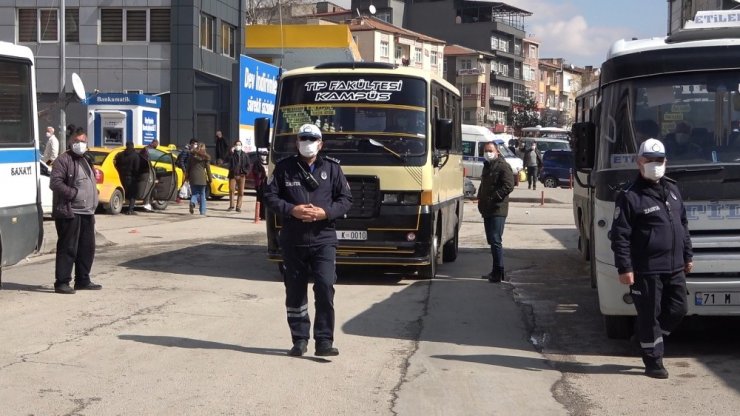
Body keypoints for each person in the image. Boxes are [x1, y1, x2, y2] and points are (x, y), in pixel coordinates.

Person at [263, 123, 352, 357]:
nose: (307, 143)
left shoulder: (333, 169)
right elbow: (269, 196)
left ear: (321, 144)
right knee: (295, 291)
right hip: (293, 239)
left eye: (312, 139)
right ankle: (299, 339)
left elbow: (345, 199)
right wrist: (291, 210)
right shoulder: (284, 168)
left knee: (324, 286)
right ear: (296, 142)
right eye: (303, 138)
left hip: (324, 239)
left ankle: (324, 340)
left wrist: (326, 212)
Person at [610, 138, 693, 379]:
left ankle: (647, 338)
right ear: (639, 162)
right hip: (646, 269)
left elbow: (683, 226)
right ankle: (653, 360)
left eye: (659, 161)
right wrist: (624, 267)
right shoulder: (629, 196)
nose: (655, 165)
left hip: (675, 266)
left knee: (678, 309)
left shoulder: (673, 190)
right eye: (649, 160)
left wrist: (688, 255)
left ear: (666, 162)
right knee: (649, 316)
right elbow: (620, 236)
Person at [49, 130, 102, 294]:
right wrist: (74, 194)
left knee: (86, 247)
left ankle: (83, 280)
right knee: (68, 248)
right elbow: (55, 183)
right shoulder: (63, 160)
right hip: (70, 212)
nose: (81, 144)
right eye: (77, 140)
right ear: (71, 142)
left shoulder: (86, 159)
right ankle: (62, 282)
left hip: (87, 212)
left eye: (83, 141)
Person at [477, 142, 515, 282]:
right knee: (491, 241)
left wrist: (495, 197)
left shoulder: (502, 166)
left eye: (490, 150)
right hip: (487, 209)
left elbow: (509, 185)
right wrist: (480, 197)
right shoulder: (488, 166)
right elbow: (483, 184)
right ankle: (495, 271)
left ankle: (499, 272)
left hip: (498, 208)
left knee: (496, 240)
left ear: (497, 151)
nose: (488, 153)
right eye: (486, 151)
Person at [114, 141, 141, 215]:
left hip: (121, 176)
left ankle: (122, 208)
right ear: (133, 146)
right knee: (132, 194)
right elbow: (136, 168)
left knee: (124, 193)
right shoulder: (135, 156)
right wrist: (137, 177)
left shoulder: (121, 155)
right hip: (131, 177)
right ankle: (130, 210)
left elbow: (117, 164)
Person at [186, 143, 212, 215]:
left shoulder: (191, 156)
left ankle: (192, 202)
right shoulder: (205, 158)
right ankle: (202, 211)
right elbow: (208, 169)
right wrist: (210, 179)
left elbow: (188, 167)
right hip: (202, 178)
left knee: (194, 193)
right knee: (202, 194)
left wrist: (186, 177)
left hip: (193, 177)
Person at [227, 140, 250, 212]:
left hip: (241, 175)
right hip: (232, 175)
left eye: (239, 144)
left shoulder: (245, 155)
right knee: (231, 190)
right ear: (234, 146)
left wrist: (245, 172)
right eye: (236, 144)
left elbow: (248, 165)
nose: (238, 146)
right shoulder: (231, 154)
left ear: (241, 146)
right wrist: (230, 152)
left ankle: (238, 207)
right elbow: (226, 161)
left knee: (241, 192)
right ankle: (231, 206)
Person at [138, 139, 159, 211]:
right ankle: (147, 204)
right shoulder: (148, 150)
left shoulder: (149, 149)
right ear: (153, 143)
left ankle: (148, 203)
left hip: (148, 171)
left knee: (149, 188)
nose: (157, 145)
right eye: (156, 144)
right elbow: (147, 161)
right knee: (148, 188)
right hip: (147, 172)